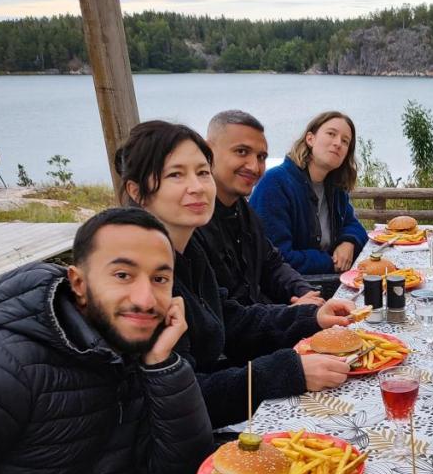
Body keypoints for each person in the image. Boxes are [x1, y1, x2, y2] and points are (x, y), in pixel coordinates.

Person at [0, 207, 212, 474]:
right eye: (123, 275)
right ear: (78, 282)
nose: (145, 299)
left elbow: (180, 470)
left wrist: (163, 364)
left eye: (159, 279)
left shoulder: (126, 352)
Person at [116, 120, 355, 428]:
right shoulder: (136, 279)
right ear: (137, 191)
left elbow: (231, 318)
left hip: (220, 396)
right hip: (170, 445)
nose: (197, 186)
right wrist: (287, 372)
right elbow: (178, 394)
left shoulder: (188, 251)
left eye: (202, 172)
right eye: (177, 174)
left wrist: (310, 318)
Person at [195, 110, 324, 307]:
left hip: (264, 318)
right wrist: (294, 314)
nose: (254, 167)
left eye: (261, 157)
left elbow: (272, 265)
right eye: (241, 152)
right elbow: (227, 316)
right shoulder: (195, 223)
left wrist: (305, 293)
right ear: (207, 151)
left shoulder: (244, 213)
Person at [250, 111, 368, 275]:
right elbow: (276, 257)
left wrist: (348, 241)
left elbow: (353, 225)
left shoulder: (335, 187)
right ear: (310, 139)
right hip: (289, 291)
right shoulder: (276, 184)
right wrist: (329, 262)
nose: (337, 143)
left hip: (328, 280)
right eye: (331, 134)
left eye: (345, 141)